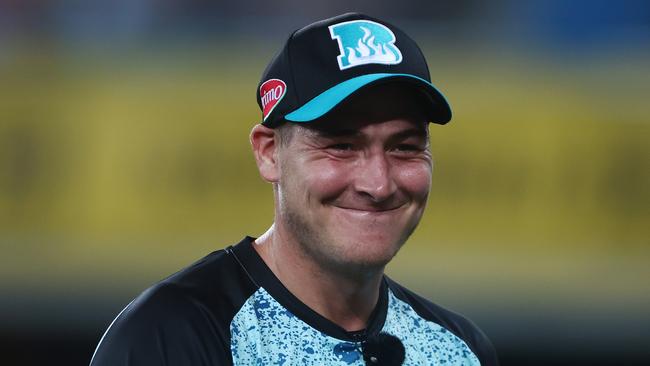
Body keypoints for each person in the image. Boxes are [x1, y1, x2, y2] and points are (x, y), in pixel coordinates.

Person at [90, 12, 499, 366]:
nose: (378, 183)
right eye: (341, 145)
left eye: (404, 147)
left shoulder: (457, 351)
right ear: (269, 153)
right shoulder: (172, 337)